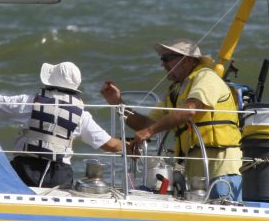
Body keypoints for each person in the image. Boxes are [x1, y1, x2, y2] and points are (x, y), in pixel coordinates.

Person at [100, 38, 243, 201]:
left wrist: (149, 131)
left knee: (222, 218)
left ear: (187, 60)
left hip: (221, 166)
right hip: (195, 172)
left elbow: (190, 110)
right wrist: (117, 103)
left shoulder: (206, 77)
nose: (163, 64)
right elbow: (145, 124)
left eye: (167, 58)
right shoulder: (174, 91)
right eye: (162, 59)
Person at [0, 56, 123, 188]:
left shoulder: (30, 103)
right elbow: (111, 145)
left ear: (49, 82)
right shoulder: (82, 115)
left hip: (25, 171)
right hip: (59, 176)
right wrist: (132, 146)